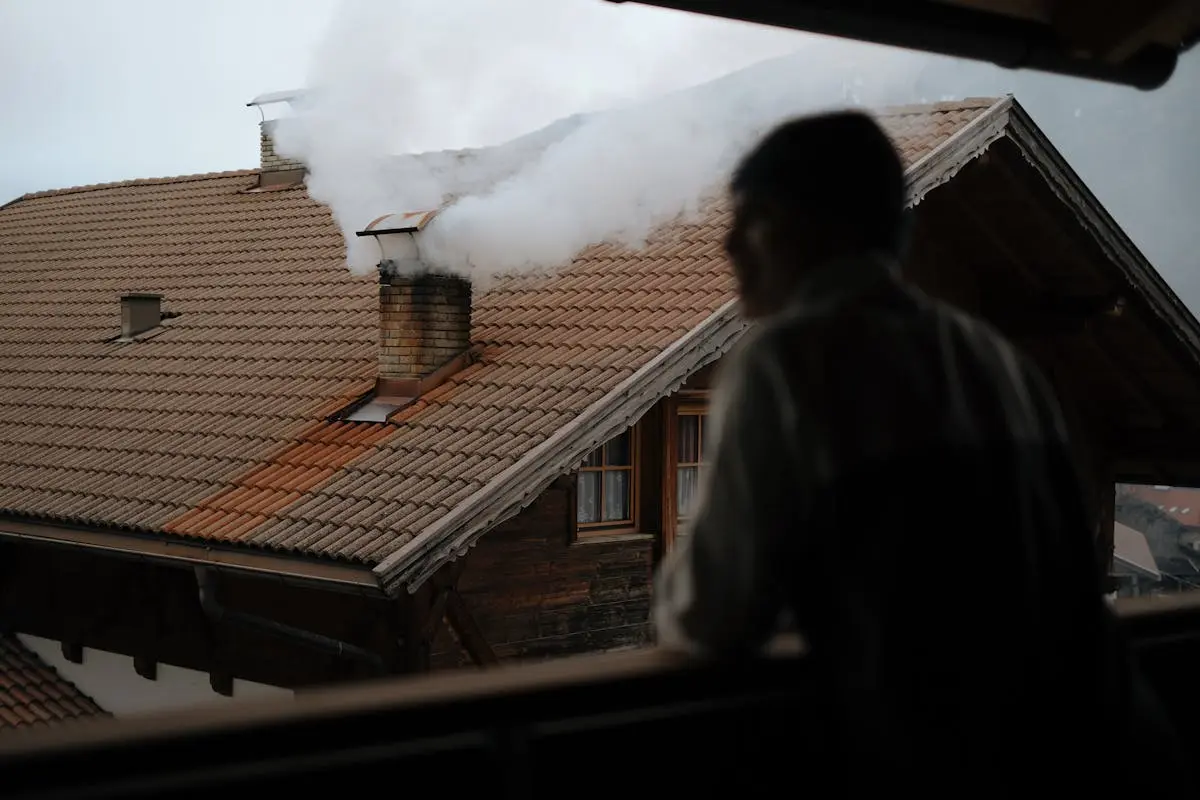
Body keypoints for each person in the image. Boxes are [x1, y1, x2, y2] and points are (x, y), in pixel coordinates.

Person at [652, 111, 1183, 790]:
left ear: (819, 224)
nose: (727, 245)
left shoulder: (789, 362)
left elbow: (711, 616)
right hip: (1113, 744)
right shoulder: (995, 356)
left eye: (751, 217)